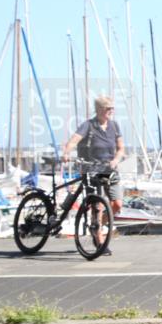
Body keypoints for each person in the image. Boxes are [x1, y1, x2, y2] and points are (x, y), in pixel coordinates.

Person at [63, 96, 125, 249]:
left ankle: (96, 224)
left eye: (112, 108)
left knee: (117, 204)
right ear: (98, 110)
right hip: (91, 169)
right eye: (107, 108)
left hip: (109, 169)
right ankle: (99, 238)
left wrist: (116, 160)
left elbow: (121, 148)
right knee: (97, 205)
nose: (111, 111)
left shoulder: (114, 126)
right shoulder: (88, 125)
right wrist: (66, 152)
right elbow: (73, 140)